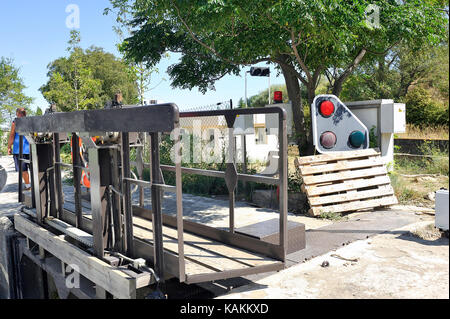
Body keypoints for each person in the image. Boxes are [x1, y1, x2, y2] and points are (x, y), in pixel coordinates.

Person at [7, 107, 31, 190]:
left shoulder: (15, 122)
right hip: (31, 148)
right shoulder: (30, 121)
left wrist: (9, 147)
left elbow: (12, 135)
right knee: (34, 168)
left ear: (17, 113)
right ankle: (36, 185)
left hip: (18, 149)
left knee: (23, 169)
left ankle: (28, 186)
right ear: (25, 113)